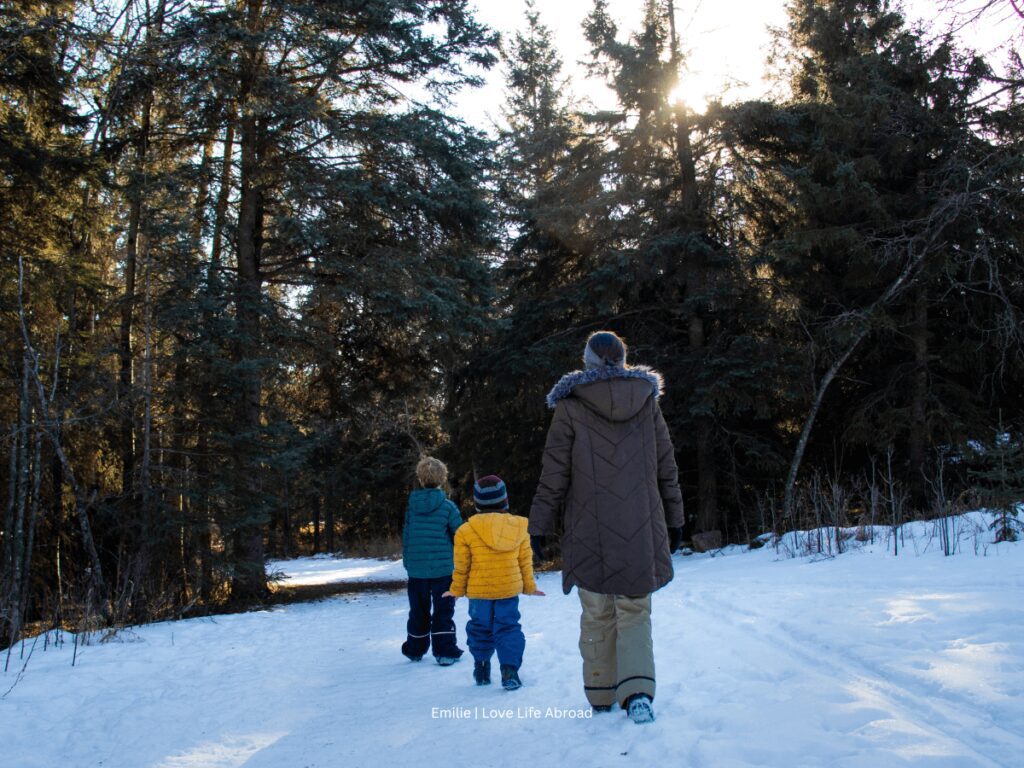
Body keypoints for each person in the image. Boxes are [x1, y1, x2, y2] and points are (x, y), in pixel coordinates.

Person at [529, 331, 684, 724]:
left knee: (597, 610)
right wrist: (676, 518)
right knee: (634, 609)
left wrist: (539, 528)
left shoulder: (570, 405)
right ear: (623, 358)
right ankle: (637, 694)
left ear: (588, 362)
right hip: (641, 523)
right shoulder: (647, 401)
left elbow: (554, 473)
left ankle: (600, 692)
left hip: (587, 525)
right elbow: (666, 465)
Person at [443, 475, 545, 691]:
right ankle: (509, 670)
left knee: (479, 627)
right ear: (504, 500)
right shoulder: (519, 527)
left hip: (478, 593)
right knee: (508, 628)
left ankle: (481, 665)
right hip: (508, 590)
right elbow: (525, 561)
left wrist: (457, 589)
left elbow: (462, 565)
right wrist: (529, 586)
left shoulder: (465, 531)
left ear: (478, 503)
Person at [401, 456, 465, 665]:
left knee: (418, 610)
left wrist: (408, 563)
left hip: (417, 570)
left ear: (420, 478)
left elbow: (407, 536)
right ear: (442, 478)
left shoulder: (412, 507)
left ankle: (415, 648)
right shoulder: (448, 507)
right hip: (443, 570)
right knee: (443, 610)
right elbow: (460, 536)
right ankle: (445, 651)